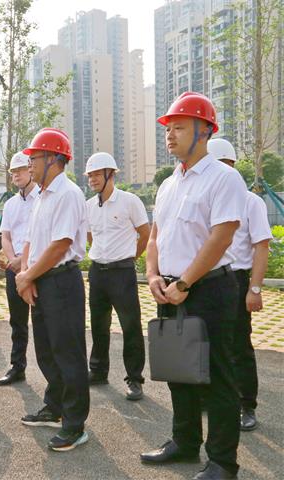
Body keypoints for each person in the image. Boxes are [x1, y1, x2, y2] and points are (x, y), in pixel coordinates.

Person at [140, 92, 247, 480]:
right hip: (168, 290)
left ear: (204, 131)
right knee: (178, 370)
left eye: (179, 127)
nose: (170, 135)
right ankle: (184, 443)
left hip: (209, 290)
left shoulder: (224, 178)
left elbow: (221, 236)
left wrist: (185, 281)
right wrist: (153, 275)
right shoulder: (169, 184)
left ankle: (222, 461)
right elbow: (155, 236)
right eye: (168, 128)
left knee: (217, 376)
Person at [15, 128, 90, 452]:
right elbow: (30, 242)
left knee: (68, 353)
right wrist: (26, 276)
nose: (29, 164)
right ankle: (55, 406)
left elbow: (60, 244)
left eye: (34, 158)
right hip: (40, 279)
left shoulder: (68, 194)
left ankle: (75, 425)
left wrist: (28, 275)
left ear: (54, 159)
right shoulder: (41, 197)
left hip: (61, 281)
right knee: (46, 350)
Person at [208, 138, 272, 432]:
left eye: (222, 165)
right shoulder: (206, 199)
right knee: (209, 343)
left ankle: (247, 404)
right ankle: (214, 397)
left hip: (235, 280)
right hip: (206, 280)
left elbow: (261, 247)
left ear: (232, 166)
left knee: (238, 345)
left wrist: (254, 289)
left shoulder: (250, 202)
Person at [85, 152, 150, 400]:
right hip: (97, 272)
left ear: (110, 174)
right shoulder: (89, 206)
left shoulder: (129, 201)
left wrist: (131, 257)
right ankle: (98, 371)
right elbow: (90, 236)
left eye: (96, 174)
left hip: (122, 273)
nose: (92, 179)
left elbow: (145, 234)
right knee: (98, 325)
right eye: (89, 175)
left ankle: (134, 378)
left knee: (130, 326)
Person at [0, 152, 37, 386]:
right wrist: (13, 260)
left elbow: (44, 236)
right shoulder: (11, 204)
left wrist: (24, 261)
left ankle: (52, 371)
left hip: (37, 268)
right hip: (14, 269)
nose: (16, 175)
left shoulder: (43, 198)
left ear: (30, 170)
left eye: (20, 170)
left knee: (43, 321)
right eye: (13, 172)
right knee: (17, 320)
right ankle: (17, 366)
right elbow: (6, 236)